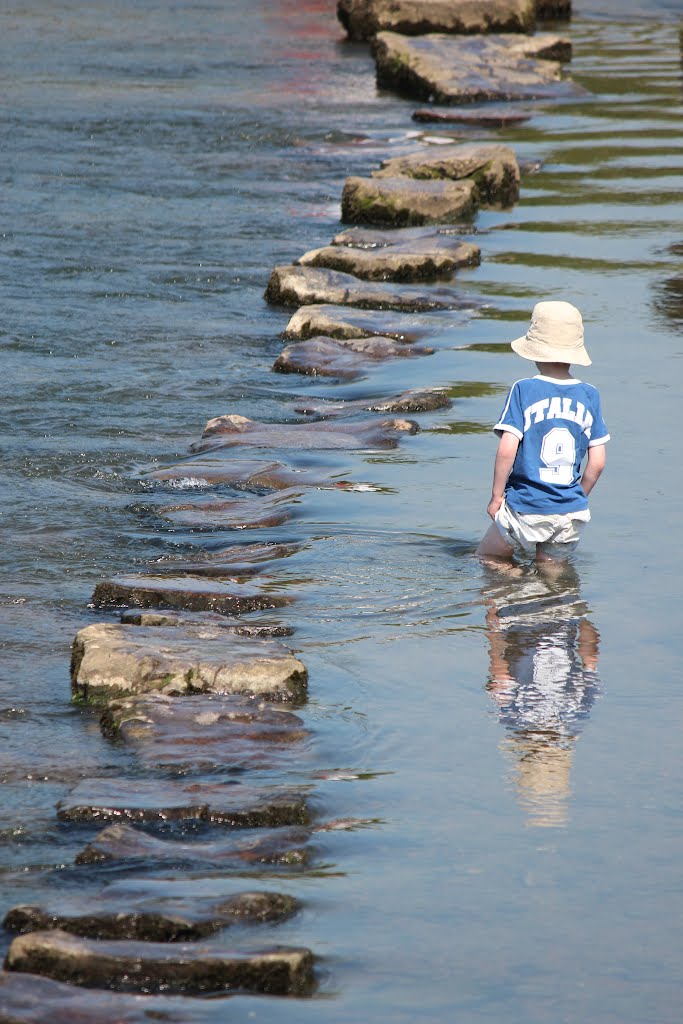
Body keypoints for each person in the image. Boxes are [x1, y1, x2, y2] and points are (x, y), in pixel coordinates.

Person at [476, 300, 609, 562]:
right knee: (553, 578)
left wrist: (495, 497)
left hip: (526, 507)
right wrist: (576, 497)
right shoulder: (590, 395)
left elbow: (507, 450)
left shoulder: (524, 390)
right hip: (571, 512)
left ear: (535, 351)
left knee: (489, 559)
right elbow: (598, 462)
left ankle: (512, 583)